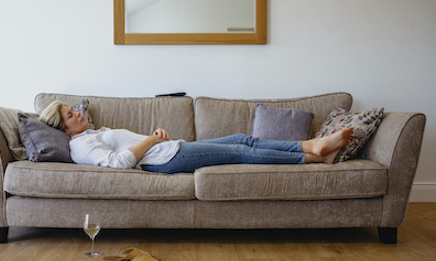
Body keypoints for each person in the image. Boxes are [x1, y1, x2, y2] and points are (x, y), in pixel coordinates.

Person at [39, 100, 352, 174]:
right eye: (70, 115)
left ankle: (309, 144)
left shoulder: (91, 132)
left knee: (243, 138)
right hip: (168, 159)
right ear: (64, 128)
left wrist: (155, 138)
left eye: (73, 110)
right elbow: (119, 162)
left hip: (171, 149)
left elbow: (126, 147)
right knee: (240, 152)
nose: (78, 113)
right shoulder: (81, 146)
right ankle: (313, 156)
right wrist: (152, 140)